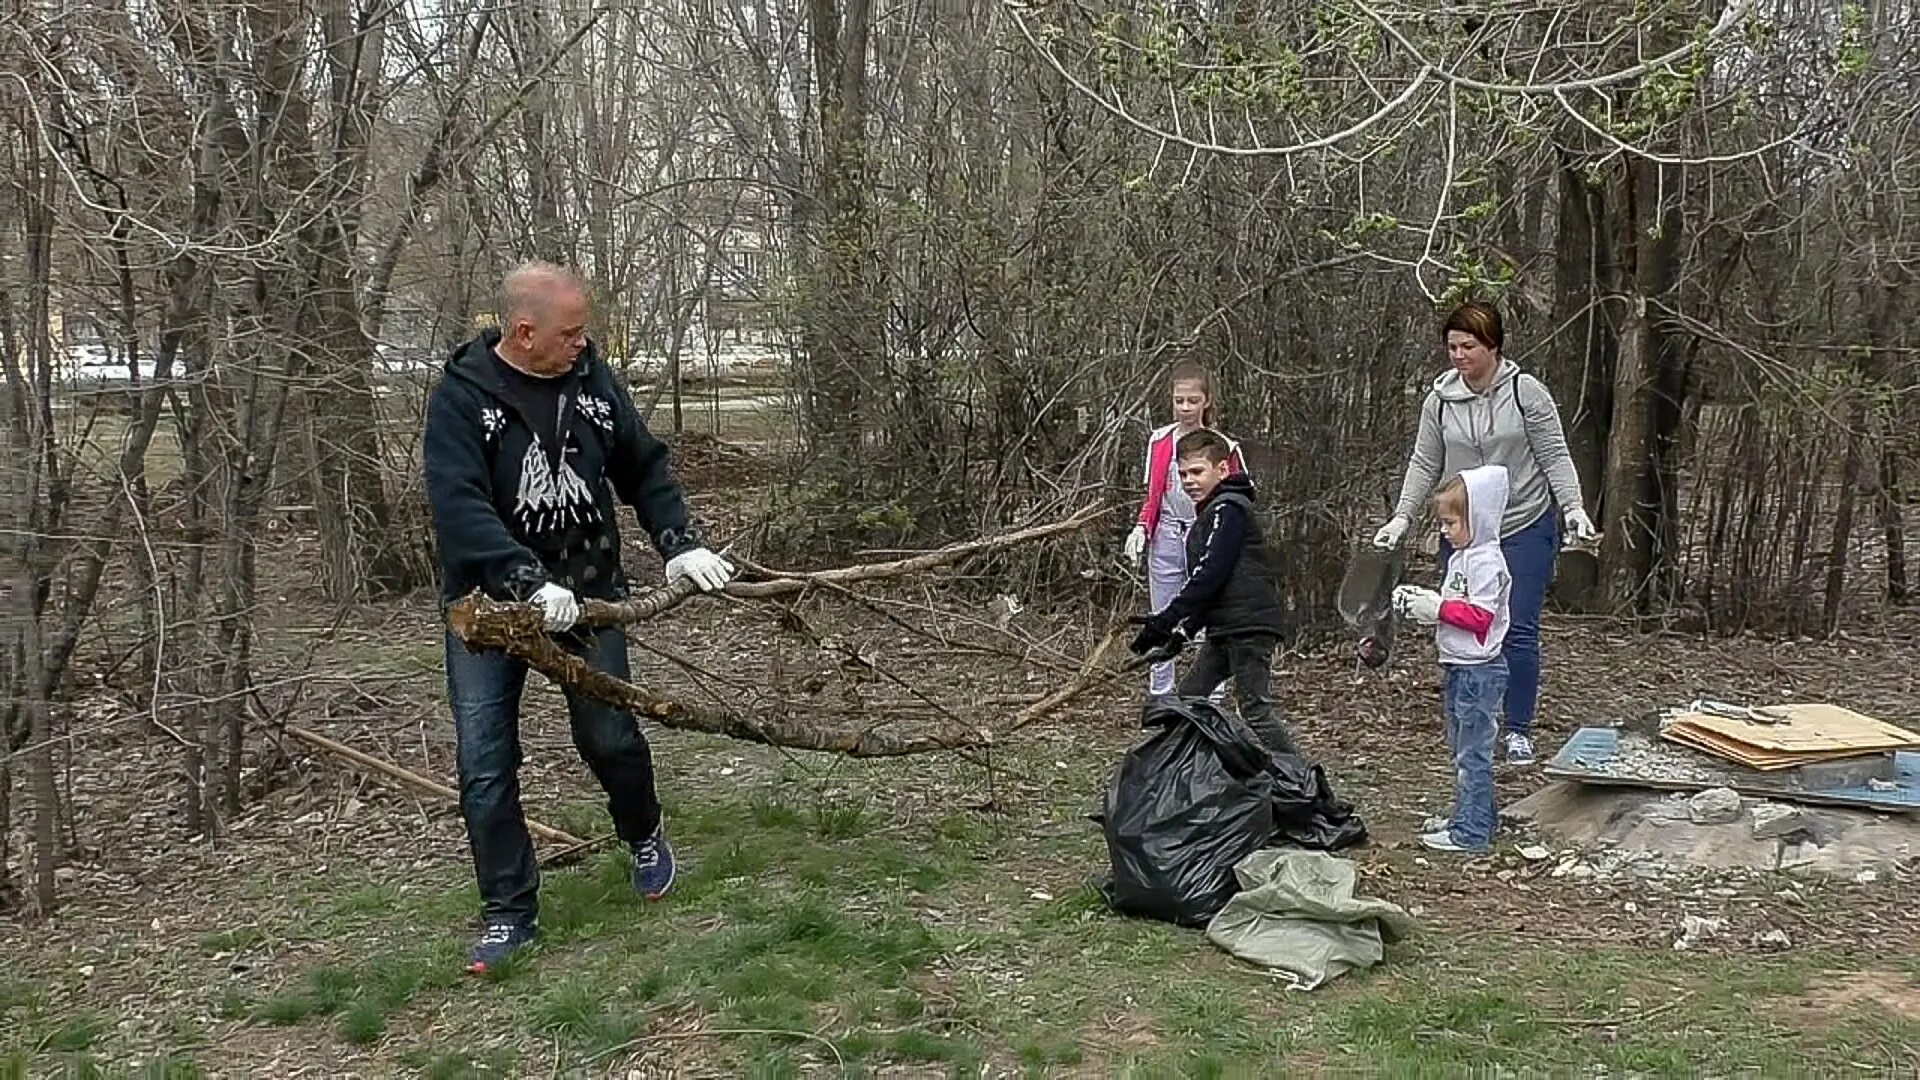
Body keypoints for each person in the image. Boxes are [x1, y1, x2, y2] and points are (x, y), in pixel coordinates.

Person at [423, 262, 736, 973]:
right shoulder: (462, 401)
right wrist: (526, 581)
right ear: (524, 331)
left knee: (610, 736)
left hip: (589, 595)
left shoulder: (593, 383)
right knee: (484, 763)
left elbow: (643, 467)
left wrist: (679, 544)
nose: (580, 342)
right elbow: (459, 508)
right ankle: (510, 912)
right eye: (569, 333)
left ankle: (644, 832)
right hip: (489, 610)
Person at [1371, 301, 1596, 766]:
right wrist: (1402, 517)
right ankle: (1468, 719)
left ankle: (1517, 727)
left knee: (1515, 627)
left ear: (1492, 345)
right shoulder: (1439, 400)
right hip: (1462, 532)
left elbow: (1554, 454)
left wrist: (1572, 507)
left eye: (1468, 346)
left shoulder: (1525, 393)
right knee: (1457, 621)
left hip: (1522, 524)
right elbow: (1424, 461)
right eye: (1451, 346)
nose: (1458, 355)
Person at [1127, 428, 1296, 756]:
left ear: (1222, 470)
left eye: (1197, 472)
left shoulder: (1229, 509)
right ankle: (1185, 773)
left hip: (1249, 626)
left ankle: (1304, 783)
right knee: (1189, 700)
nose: (1189, 480)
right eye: (1182, 474)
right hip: (1225, 628)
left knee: (1255, 709)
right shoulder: (1210, 513)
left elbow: (1210, 574)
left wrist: (1167, 619)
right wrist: (1182, 634)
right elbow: (1213, 589)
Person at [1391, 466, 1512, 853]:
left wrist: (1438, 608)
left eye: (1450, 522)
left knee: (1472, 753)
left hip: (1480, 671)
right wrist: (1423, 603)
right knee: (1461, 747)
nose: (1444, 530)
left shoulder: (1486, 562)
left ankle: (1471, 833)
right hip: (1459, 666)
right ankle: (1476, 815)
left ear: (1476, 517)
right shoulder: (1463, 556)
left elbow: (1480, 617)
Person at [1122, 362, 1246, 708]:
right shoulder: (1160, 441)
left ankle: (1211, 691)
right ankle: (1161, 692)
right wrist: (1141, 528)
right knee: (1162, 611)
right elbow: (1154, 494)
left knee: (1205, 610)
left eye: (1194, 400)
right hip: (1166, 534)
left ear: (1206, 401)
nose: (1186, 408)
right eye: (1180, 401)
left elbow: (1234, 494)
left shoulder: (1223, 446)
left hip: (1204, 535)